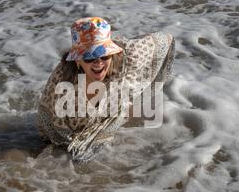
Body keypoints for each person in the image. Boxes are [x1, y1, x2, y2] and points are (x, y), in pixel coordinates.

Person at [38, 17, 175, 162]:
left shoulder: (129, 55)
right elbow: (57, 132)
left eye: (104, 55)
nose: (98, 63)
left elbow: (164, 41)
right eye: (90, 57)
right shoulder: (64, 86)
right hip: (60, 125)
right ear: (78, 60)